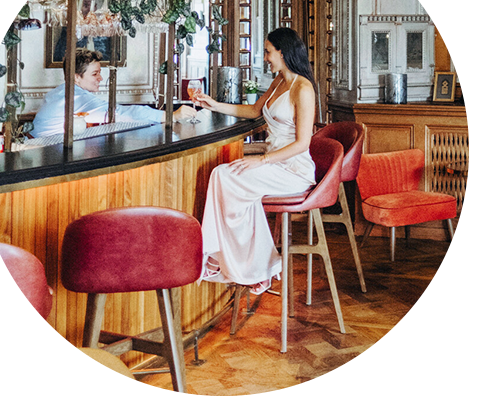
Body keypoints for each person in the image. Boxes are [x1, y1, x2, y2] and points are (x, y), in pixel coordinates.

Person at [194, 27, 317, 295]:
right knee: (221, 176)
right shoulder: (279, 81)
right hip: (272, 164)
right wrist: (214, 105)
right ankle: (241, 261)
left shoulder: (303, 88)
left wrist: (261, 160)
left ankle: (221, 258)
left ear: (283, 53)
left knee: (225, 176)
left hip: (293, 170)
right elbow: (253, 111)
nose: (265, 58)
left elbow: (302, 144)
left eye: (268, 52)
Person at [31, 48, 196, 137]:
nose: (100, 78)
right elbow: (119, 113)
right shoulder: (77, 97)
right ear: (76, 77)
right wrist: (171, 116)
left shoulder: (61, 91)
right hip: (43, 153)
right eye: (95, 74)